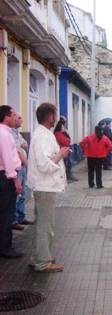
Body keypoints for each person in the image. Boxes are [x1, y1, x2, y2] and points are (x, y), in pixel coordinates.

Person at [27, 103, 71, 272]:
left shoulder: (43, 134)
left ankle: (40, 256)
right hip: (45, 186)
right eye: (55, 115)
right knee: (46, 226)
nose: (56, 119)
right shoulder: (43, 137)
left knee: (42, 224)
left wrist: (60, 154)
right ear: (50, 117)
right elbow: (44, 166)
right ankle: (43, 262)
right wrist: (60, 155)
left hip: (44, 186)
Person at [0, 105, 23, 259]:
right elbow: (7, 159)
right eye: (13, 114)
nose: (15, 117)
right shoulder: (4, 134)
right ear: (6, 117)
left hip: (4, 176)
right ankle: (6, 248)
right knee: (6, 214)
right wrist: (15, 180)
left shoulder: (6, 133)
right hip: (6, 178)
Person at [11, 111, 33, 230]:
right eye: (19, 118)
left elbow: (24, 144)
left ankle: (21, 216)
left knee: (23, 192)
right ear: (13, 119)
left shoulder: (17, 133)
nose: (21, 120)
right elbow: (18, 150)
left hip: (22, 166)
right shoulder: (9, 133)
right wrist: (27, 163)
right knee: (17, 194)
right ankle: (14, 220)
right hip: (17, 166)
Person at [54, 118, 78, 182]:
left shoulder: (61, 134)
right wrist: (67, 139)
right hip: (63, 152)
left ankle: (68, 176)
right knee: (66, 165)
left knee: (68, 165)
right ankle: (66, 178)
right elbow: (66, 142)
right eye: (63, 127)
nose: (64, 128)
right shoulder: (59, 134)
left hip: (66, 151)